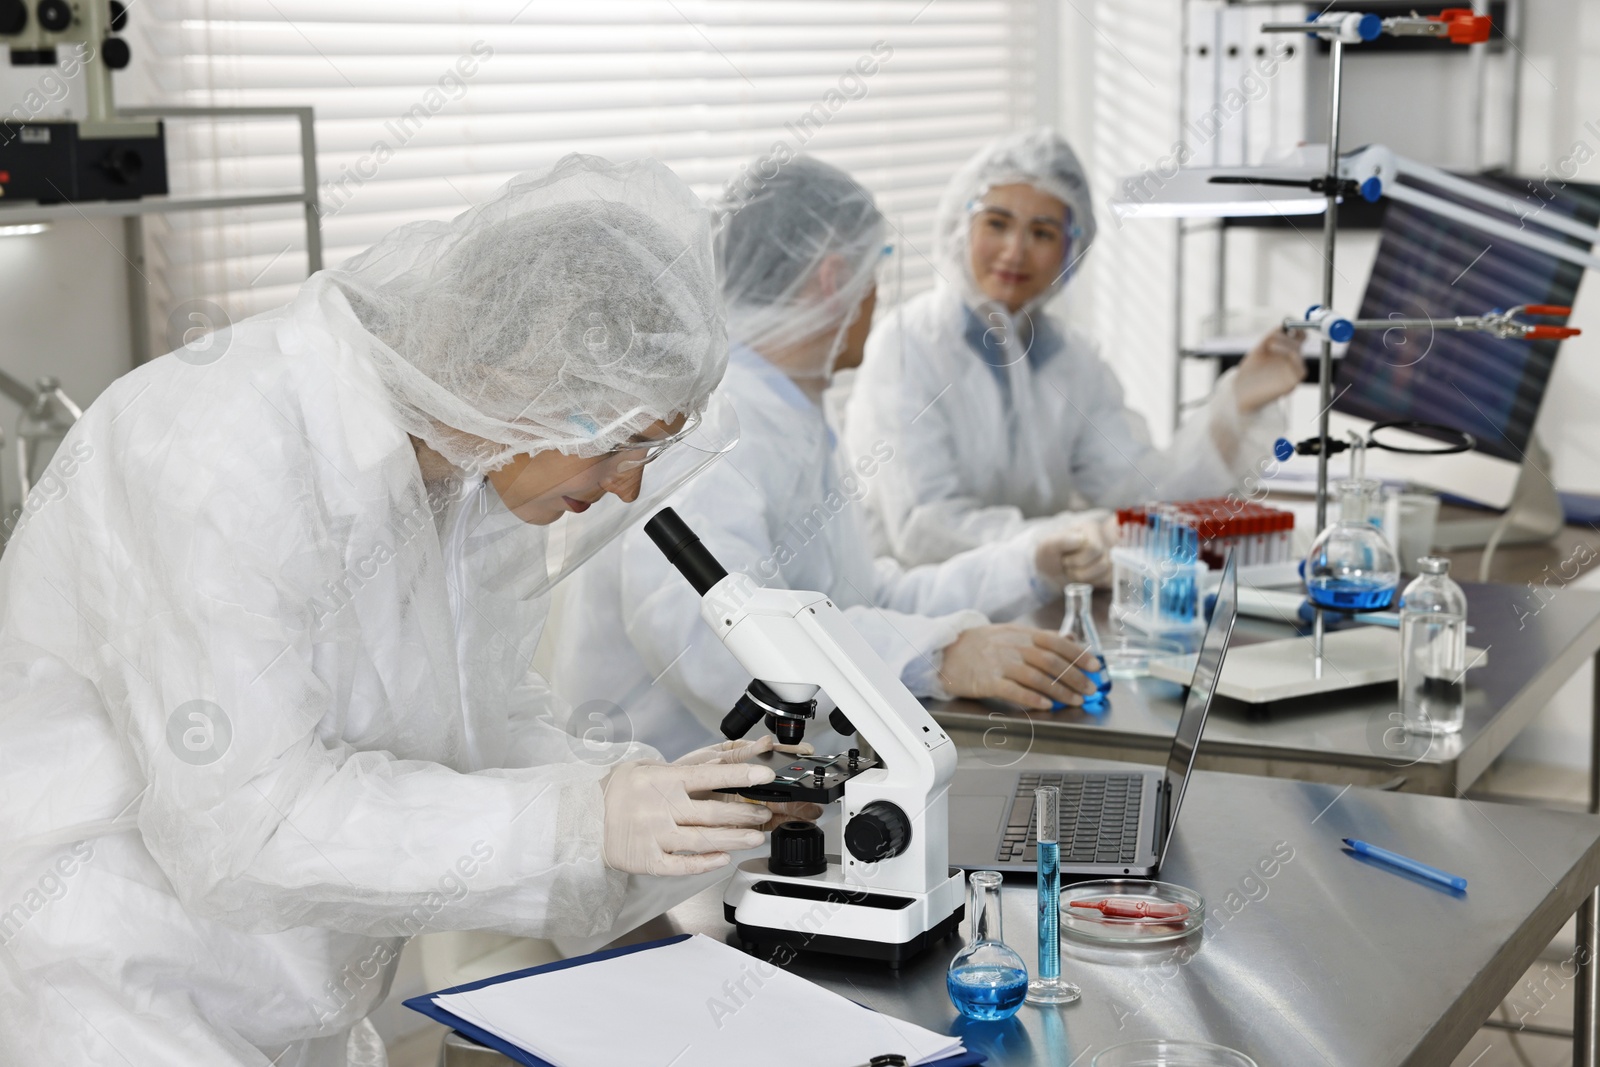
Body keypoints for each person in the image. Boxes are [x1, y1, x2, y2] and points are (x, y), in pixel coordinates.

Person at [0, 156, 802, 1067]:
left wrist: (669, 807)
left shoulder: (471, 468)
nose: (629, 486)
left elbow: (479, 735)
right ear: (523, 368)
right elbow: (250, 826)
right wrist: (584, 820)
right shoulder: (217, 450)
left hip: (297, 996)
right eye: (624, 443)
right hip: (110, 987)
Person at [550, 156, 1108, 762]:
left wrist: (1026, 565)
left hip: (771, 795)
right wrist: (936, 658)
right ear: (832, 278)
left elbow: (850, 598)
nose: (875, 297)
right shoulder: (713, 426)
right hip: (679, 818)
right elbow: (718, 650)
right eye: (875, 272)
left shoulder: (789, 411)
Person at [844, 127, 1307, 566]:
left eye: (1042, 233)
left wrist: (1236, 403)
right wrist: (1074, 535)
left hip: (1030, 601)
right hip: (920, 615)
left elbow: (1143, 492)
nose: (1015, 251)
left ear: (1071, 250)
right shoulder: (908, 346)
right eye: (997, 223)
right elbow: (924, 528)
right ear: (959, 226)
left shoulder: (1071, 359)